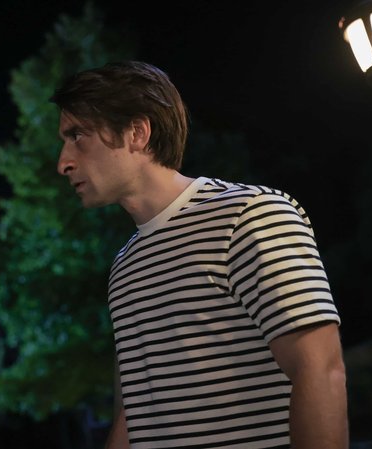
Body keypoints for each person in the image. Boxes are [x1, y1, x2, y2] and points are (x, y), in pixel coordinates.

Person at [52, 61, 347, 448]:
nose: (63, 162)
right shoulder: (125, 266)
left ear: (137, 133)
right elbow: (135, 412)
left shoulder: (249, 215)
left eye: (78, 136)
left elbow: (320, 370)